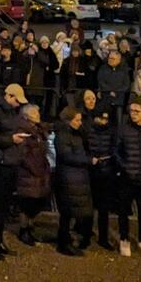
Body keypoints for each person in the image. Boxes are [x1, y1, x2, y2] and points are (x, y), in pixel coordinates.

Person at [0, 82, 28, 258]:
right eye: (17, 101)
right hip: (1, 164)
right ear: (9, 97)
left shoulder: (9, 111)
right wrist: (11, 139)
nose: (19, 105)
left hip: (10, 161)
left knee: (3, 207)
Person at [114, 98, 141, 259]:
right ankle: (124, 238)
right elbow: (116, 151)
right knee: (123, 210)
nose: (133, 114)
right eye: (131, 111)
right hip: (127, 176)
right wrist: (124, 167)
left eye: (136, 111)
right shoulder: (123, 130)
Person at [53, 107, 92, 256]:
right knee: (67, 213)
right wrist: (87, 160)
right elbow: (66, 156)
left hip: (75, 177)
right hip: (68, 178)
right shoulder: (63, 136)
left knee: (69, 213)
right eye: (77, 120)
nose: (80, 123)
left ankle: (65, 240)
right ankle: (64, 243)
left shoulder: (76, 134)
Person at [83, 92, 117, 248]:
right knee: (89, 205)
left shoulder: (111, 131)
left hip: (106, 170)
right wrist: (90, 159)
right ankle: (86, 234)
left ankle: (103, 237)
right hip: (91, 170)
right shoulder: (88, 130)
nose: (103, 121)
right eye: (101, 118)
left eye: (106, 119)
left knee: (104, 208)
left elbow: (114, 149)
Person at [15, 103, 50, 247]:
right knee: (27, 202)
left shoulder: (39, 131)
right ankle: (25, 229)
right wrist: (34, 168)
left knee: (36, 202)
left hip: (38, 171)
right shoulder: (23, 132)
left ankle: (29, 227)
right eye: (35, 113)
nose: (38, 115)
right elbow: (23, 154)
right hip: (28, 173)